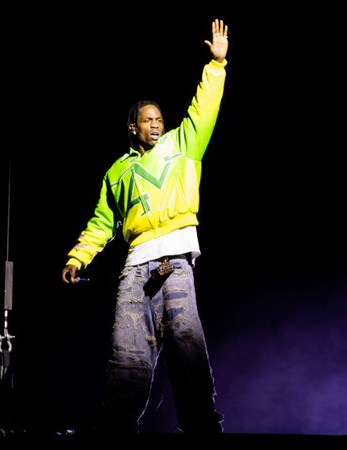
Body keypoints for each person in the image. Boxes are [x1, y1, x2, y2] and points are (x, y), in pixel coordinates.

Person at [61, 19, 229, 434]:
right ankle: (117, 429)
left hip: (175, 261)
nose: (156, 124)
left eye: (159, 119)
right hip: (136, 268)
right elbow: (102, 221)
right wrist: (78, 257)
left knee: (186, 343)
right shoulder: (117, 171)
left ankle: (202, 426)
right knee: (128, 350)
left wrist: (216, 65)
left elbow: (203, 107)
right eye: (147, 120)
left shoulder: (182, 145)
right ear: (133, 127)